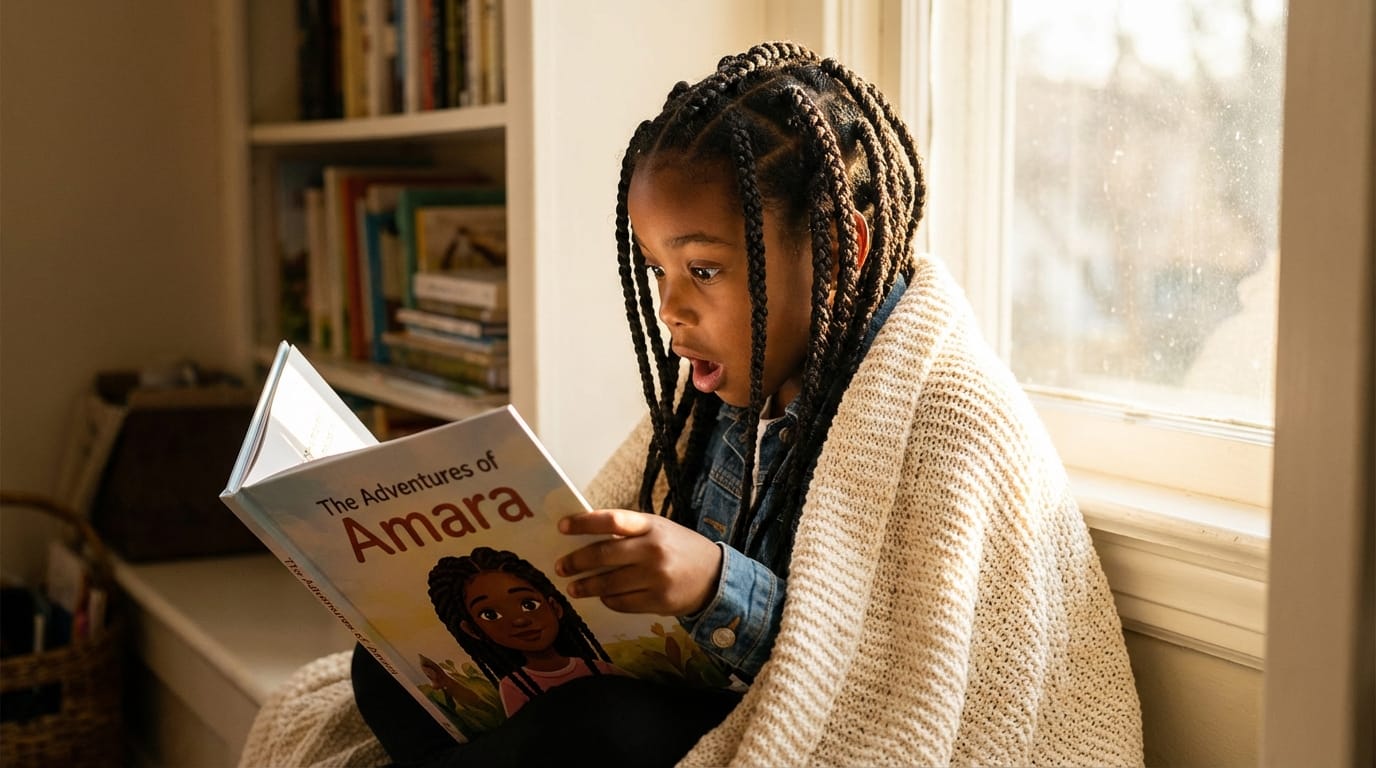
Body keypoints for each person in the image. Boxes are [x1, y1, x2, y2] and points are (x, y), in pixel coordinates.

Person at [347, 40, 1143, 767]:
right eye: (657, 268)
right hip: (698, 696)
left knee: (597, 730)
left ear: (839, 248)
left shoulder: (949, 417)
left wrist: (712, 585)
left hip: (785, 723)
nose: (670, 309)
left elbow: (891, 688)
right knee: (381, 668)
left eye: (704, 270)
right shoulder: (730, 387)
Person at [427, 546, 626, 717]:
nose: (520, 620)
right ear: (473, 630)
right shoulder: (514, 686)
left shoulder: (599, 668)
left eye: (529, 604)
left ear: (555, 607)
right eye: (490, 614)